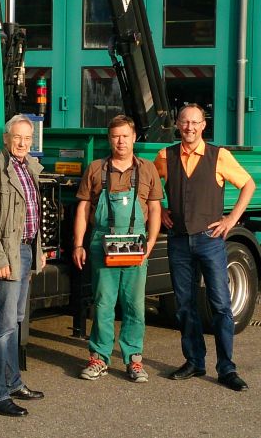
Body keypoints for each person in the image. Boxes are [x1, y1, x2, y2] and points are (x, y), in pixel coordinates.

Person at [153, 104, 256, 392]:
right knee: (184, 305)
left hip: (210, 240)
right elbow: (147, 187)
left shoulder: (219, 156)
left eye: (195, 122)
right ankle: (194, 362)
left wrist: (231, 220)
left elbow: (248, 185)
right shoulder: (165, 156)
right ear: (177, 125)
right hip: (179, 241)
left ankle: (227, 368)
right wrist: (159, 211)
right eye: (184, 122)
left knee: (221, 305)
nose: (189, 127)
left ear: (203, 126)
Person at [72, 114, 162, 382]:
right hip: (102, 243)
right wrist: (79, 243)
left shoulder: (147, 169)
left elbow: (156, 208)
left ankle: (134, 360)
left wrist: (152, 242)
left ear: (134, 138)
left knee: (134, 305)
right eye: (115, 136)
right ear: (109, 139)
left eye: (125, 136)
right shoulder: (96, 169)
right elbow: (83, 208)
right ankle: (99, 358)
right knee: (103, 304)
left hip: (136, 243)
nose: (120, 141)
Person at [0, 114, 46, 417]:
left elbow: (34, 214)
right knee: (2, 326)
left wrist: (38, 252)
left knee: (15, 320)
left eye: (27, 139)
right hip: (7, 255)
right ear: (6, 138)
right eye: (17, 138)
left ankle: (13, 382)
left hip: (26, 251)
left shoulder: (29, 168)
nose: (22, 143)